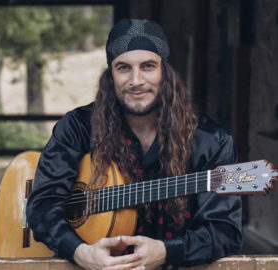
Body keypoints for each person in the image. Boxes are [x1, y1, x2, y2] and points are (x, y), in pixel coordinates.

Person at [26, 19, 241, 269]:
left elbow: (225, 231)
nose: (136, 80)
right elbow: (42, 205)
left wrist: (166, 252)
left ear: (165, 72)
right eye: (123, 68)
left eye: (148, 66)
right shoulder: (77, 128)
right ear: (110, 75)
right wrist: (80, 252)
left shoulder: (211, 141)